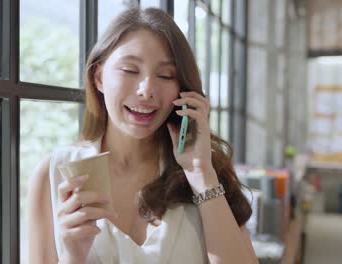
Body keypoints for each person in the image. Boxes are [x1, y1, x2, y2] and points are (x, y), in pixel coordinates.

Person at [28, 7, 258, 264]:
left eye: (165, 75)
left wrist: (201, 173)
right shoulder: (55, 173)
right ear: (99, 77)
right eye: (129, 70)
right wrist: (72, 255)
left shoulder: (207, 171)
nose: (147, 90)